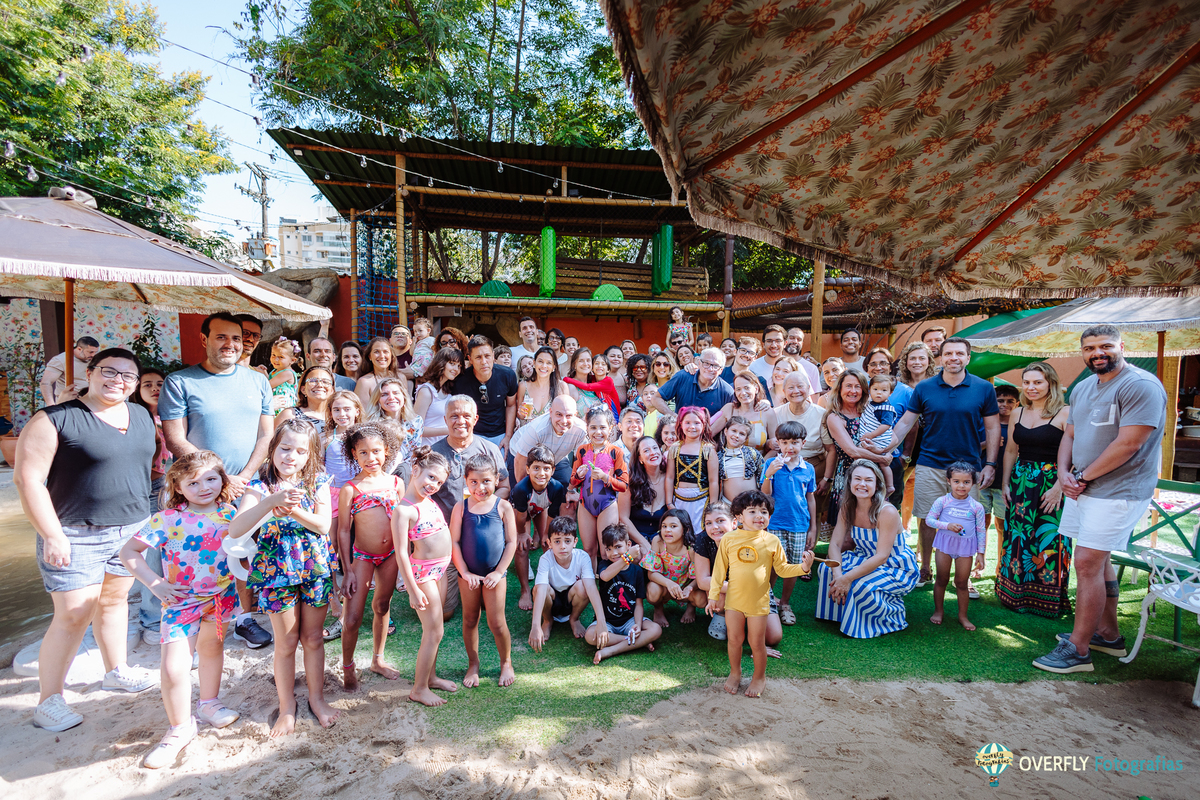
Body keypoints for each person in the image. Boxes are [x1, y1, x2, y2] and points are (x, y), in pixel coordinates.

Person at [17, 348, 157, 732]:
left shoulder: (141, 415)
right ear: (90, 373)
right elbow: (27, 481)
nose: (119, 381)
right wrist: (52, 534)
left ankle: (116, 670)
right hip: (74, 530)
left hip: (129, 528)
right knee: (74, 613)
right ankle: (49, 699)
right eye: (109, 372)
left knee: (114, 602)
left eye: (128, 376)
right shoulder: (54, 419)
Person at [1033, 326, 1166, 674]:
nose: (1098, 353)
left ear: (1122, 346)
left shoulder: (1141, 386)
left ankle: (1078, 650)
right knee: (1100, 561)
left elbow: (1129, 444)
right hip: (1081, 487)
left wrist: (1080, 477)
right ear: (1082, 352)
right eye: (1090, 347)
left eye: (1106, 346)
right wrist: (1063, 474)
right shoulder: (1084, 386)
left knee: (1087, 564)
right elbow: (1070, 434)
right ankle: (1107, 634)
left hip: (1118, 491)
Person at [159, 311, 274, 648]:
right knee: (200, 555)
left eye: (236, 338)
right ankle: (193, 624)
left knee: (241, 552)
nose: (230, 344)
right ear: (204, 339)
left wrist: (245, 477)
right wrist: (218, 480)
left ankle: (243, 618)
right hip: (199, 489)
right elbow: (175, 439)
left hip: (247, 484)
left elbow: (266, 437)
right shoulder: (180, 382)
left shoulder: (257, 381)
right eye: (222, 337)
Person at [118, 452, 240, 768]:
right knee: (174, 668)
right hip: (180, 602)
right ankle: (179, 728)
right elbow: (128, 551)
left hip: (221, 598)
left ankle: (209, 703)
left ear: (223, 480)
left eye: (211, 479)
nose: (204, 487)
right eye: (193, 482)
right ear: (178, 486)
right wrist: (155, 583)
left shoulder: (230, 513)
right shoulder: (168, 519)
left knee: (213, 649)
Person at [228, 419, 337, 737]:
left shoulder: (317, 481)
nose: (291, 456)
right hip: (277, 574)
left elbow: (323, 525)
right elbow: (236, 528)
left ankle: (317, 699)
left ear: (310, 455)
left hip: (313, 569)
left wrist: (293, 510)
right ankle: (287, 707)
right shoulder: (260, 486)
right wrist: (270, 502)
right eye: (285, 448)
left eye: (300, 451)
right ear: (272, 449)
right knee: (286, 642)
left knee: (314, 638)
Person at [889, 337, 1000, 588]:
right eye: (948, 353)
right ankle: (925, 567)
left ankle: (962, 576)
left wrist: (990, 464)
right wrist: (885, 447)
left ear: (968, 358)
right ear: (940, 358)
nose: (953, 358)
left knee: (966, 523)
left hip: (968, 467)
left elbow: (993, 428)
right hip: (930, 463)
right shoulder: (925, 388)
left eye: (959, 354)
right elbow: (906, 422)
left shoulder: (983, 388)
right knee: (929, 518)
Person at [706, 490, 813, 697]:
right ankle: (735, 673)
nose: (759, 516)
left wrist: (803, 568)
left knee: (757, 643)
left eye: (763, 512)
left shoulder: (772, 540)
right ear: (738, 517)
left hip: (759, 603)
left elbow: (782, 569)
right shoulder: (729, 539)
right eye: (752, 511)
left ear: (769, 516)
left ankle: (759, 677)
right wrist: (713, 596)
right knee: (735, 640)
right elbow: (719, 571)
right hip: (734, 602)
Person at [814, 459, 918, 638]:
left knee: (860, 584)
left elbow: (882, 556)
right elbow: (835, 544)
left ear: (877, 484)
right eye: (857, 479)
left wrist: (847, 578)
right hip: (863, 556)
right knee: (826, 569)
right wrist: (839, 575)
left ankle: (892, 616)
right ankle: (840, 615)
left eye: (868, 480)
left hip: (894, 565)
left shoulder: (887, 512)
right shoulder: (847, 507)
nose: (862, 484)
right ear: (850, 482)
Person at [998, 365, 1071, 617]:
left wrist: (1060, 487)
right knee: (1018, 536)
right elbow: (1010, 451)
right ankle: (1015, 594)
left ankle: (1047, 598)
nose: (1031, 387)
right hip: (1020, 482)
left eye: (1037, 382)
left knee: (1049, 536)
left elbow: (1076, 453)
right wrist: (1005, 483)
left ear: (1051, 383)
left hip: (1051, 482)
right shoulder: (1017, 412)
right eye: (1026, 382)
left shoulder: (1065, 413)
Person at [337, 422, 405, 691]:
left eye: (376, 451)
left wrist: (405, 560)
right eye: (363, 452)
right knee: (352, 617)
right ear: (354, 454)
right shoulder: (350, 489)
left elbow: (405, 523)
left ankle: (378, 659)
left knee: (382, 606)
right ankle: (347, 666)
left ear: (386, 451)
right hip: (362, 557)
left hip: (390, 556)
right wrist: (347, 570)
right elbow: (343, 531)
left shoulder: (396, 483)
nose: (371, 458)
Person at [431, 395, 509, 619]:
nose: (460, 421)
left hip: (482, 535)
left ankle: (481, 583)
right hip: (448, 539)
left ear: (475, 419)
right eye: (454, 416)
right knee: (445, 612)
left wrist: (484, 502)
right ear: (445, 419)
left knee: (487, 607)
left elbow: (505, 487)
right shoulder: (435, 453)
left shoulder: (489, 449)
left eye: (466, 416)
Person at [392, 446, 459, 707]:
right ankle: (418, 688)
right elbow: (401, 553)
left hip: (440, 571)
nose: (434, 485)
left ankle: (430, 677)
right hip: (424, 575)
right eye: (430, 477)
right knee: (433, 631)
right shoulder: (404, 510)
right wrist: (412, 589)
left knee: (436, 630)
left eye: (439, 482)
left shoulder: (428, 501)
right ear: (416, 470)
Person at [450, 454, 518, 688]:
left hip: (494, 576)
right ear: (466, 482)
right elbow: (455, 543)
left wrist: (499, 572)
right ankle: (473, 664)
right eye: (474, 482)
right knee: (470, 620)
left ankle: (506, 662)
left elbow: (511, 543)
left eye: (486, 481)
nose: (480, 487)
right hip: (467, 576)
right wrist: (465, 572)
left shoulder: (504, 506)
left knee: (496, 622)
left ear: (497, 479)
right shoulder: (461, 508)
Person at [821, 369, 892, 536]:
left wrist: (885, 451)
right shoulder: (835, 417)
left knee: (873, 523)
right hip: (848, 474)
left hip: (873, 474)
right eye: (848, 386)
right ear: (839, 389)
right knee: (848, 530)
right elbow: (852, 451)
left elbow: (893, 436)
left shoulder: (870, 411)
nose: (853, 391)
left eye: (857, 387)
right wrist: (881, 458)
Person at [762, 420, 818, 625]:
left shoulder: (808, 468)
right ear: (778, 443)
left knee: (794, 566)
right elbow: (765, 495)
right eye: (785, 443)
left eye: (794, 442)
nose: (789, 447)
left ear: (803, 443)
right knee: (774, 566)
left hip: (799, 524)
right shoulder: (771, 464)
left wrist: (813, 527)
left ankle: (785, 603)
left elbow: (810, 498)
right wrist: (769, 475)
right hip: (775, 523)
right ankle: (767, 600)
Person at [130, 367, 171, 643]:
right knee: (151, 551)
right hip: (149, 485)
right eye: (148, 384)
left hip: (174, 486)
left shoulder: (172, 415)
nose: (155, 388)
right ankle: (152, 617)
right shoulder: (134, 417)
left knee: (171, 550)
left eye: (160, 383)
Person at [925, 462, 987, 630]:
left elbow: (981, 530)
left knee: (962, 582)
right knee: (941, 579)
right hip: (944, 546)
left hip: (965, 549)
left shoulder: (977, 507)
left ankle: (963, 616)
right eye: (956, 481)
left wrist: (981, 553)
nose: (961, 486)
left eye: (966, 482)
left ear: (973, 483)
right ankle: (938, 611)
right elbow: (929, 520)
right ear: (949, 481)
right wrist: (946, 525)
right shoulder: (942, 501)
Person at [528, 516, 606, 648]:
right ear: (549, 543)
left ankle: (574, 619)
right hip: (552, 599)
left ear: (575, 542)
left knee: (584, 586)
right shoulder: (545, 559)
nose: (562, 546)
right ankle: (547, 620)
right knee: (538, 589)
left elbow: (592, 587)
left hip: (571, 599)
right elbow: (540, 590)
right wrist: (535, 625)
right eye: (557, 541)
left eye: (567, 541)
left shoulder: (582, 557)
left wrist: (601, 621)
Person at [589, 524, 663, 663]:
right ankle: (637, 642)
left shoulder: (637, 571)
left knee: (656, 629)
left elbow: (639, 604)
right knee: (589, 636)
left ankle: (610, 650)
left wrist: (638, 625)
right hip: (607, 622)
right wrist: (627, 557)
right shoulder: (605, 565)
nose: (614, 553)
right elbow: (605, 577)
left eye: (618, 547)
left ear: (628, 544)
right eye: (608, 549)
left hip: (629, 621)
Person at [510, 444, 567, 609]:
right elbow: (520, 516)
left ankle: (550, 583)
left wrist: (545, 535)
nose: (541, 473)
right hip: (520, 513)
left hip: (540, 507)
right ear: (527, 469)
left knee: (547, 544)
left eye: (546, 469)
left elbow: (552, 514)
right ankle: (525, 590)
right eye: (536, 468)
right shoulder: (521, 489)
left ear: (553, 470)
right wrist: (521, 534)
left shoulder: (556, 487)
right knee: (521, 547)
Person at [570, 406, 629, 565]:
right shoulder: (582, 451)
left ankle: (607, 585)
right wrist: (579, 476)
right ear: (587, 428)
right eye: (593, 427)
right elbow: (573, 481)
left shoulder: (615, 452)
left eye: (602, 427)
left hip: (607, 505)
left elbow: (624, 485)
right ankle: (590, 585)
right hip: (585, 505)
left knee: (606, 550)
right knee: (588, 549)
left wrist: (605, 478)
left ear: (610, 429)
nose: (598, 432)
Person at [450, 335, 519, 452]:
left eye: (487, 356)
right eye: (478, 357)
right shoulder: (460, 380)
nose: (484, 362)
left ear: (493, 356)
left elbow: (511, 405)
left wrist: (508, 436)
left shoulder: (507, 375)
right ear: (470, 359)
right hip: (472, 435)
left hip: (500, 434)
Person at [979, 384, 1019, 580]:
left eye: (1010, 401)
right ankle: (979, 563)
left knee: (1003, 525)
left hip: (1006, 484)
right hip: (983, 481)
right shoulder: (984, 423)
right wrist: (989, 443)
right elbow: (972, 447)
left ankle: (1001, 565)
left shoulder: (1019, 425)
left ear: (1017, 403)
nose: (1004, 405)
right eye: (1000, 401)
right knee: (982, 524)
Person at [664, 407, 720, 537]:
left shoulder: (708, 450)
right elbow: (669, 477)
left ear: (703, 424)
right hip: (679, 501)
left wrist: (712, 506)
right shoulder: (675, 448)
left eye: (696, 423)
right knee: (681, 535)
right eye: (687, 422)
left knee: (700, 535)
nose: (692, 427)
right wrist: (669, 503)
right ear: (680, 424)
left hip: (701, 502)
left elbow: (713, 481)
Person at [510, 395, 587, 487]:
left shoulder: (581, 430)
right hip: (520, 454)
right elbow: (520, 460)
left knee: (564, 487)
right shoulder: (537, 429)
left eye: (569, 416)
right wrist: (523, 491)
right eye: (559, 414)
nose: (564, 421)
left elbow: (581, 460)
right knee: (520, 492)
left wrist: (571, 488)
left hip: (555, 457)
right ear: (550, 412)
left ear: (575, 415)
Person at [642, 510, 696, 627]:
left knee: (701, 599)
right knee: (652, 590)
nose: (667, 530)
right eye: (664, 526)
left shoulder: (691, 548)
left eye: (673, 526)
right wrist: (669, 583)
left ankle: (691, 607)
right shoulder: (658, 541)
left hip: (684, 590)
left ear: (685, 529)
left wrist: (689, 588)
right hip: (665, 587)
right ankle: (658, 609)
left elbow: (698, 576)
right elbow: (651, 574)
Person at [650, 347, 734, 419]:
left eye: (715, 366)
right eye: (706, 363)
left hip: (711, 436)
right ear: (699, 363)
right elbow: (656, 398)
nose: (710, 369)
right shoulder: (683, 377)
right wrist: (674, 416)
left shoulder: (727, 392)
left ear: (721, 370)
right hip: (682, 434)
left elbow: (729, 418)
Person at [618, 436, 667, 549]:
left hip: (661, 540)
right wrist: (643, 544)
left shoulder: (669, 479)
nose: (653, 453)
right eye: (646, 450)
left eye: (655, 448)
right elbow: (623, 518)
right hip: (636, 540)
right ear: (640, 458)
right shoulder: (629, 482)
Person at [413, 346, 464, 446]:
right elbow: (416, 428)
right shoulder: (426, 391)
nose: (456, 369)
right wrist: (448, 430)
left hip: (445, 448)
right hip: (427, 450)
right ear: (441, 363)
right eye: (452, 364)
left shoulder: (448, 391)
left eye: (459, 366)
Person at [858, 374, 898, 495]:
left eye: (884, 390)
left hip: (880, 440)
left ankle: (890, 485)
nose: (879, 393)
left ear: (890, 393)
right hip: (872, 438)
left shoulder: (886, 408)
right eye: (875, 389)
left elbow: (885, 426)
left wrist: (872, 435)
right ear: (870, 390)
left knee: (883, 463)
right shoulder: (871, 403)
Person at [753, 324, 820, 393]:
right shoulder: (752, 367)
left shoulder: (796, 367)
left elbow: (807, 398)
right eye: (769, 341)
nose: (773, 345)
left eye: (778, 341)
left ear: (785, 343)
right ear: (763, 344)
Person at [717, 416, 765, 502]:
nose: (736, 436)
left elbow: (763, 475)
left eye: (742, 434)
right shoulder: (718, 457)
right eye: (734, 431)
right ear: (726, 431)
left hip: (752, 505)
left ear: (746, 438)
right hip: (727, 505)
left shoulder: (753, 454)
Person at [39, 335, 99, 404]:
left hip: (90, 400)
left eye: (95, 352)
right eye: (91, 352)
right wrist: (51, 406)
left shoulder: (94, 359)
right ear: (79, 349)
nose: (93, 355)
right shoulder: (61, 359)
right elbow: (46, 382)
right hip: (69, 402)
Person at [515, 346, 564, 429]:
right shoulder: (523, 386)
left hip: (550, 439)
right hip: (526, 437)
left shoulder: (561, 387)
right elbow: (521, 417)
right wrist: (521, 412)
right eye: (540, 361)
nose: (544, 366)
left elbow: (565, 417)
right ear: (534, 363)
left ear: (554, 367)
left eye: (549, 363)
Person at [276, 365, 334, 432]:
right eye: (313, 381)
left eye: (325, 382)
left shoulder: (339, 415)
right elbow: (272, 440)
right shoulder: (290, 415)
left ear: (332, 390)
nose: (320, 385)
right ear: (303, 389)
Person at [356, 337, 405, 409]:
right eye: (376, 352)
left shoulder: (401, 378)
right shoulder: (364, 382)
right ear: (369, 356)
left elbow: (407, 408)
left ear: (391, 355)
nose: (382, 356)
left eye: (385, 351)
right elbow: (363, 416)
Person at [267, 336, 302, 415]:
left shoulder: (287, 373)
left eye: (281, 357)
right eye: (273, 355)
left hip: (283, 408)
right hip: (275, 404)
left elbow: (267, 385)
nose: (275, 359)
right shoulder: (274, 371)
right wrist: (263, 371)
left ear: (292, 360)